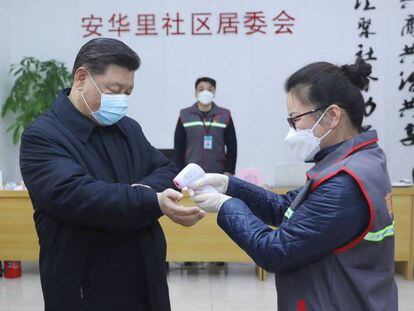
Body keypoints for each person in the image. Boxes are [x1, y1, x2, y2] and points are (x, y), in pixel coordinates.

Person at [190, 58, 398, 310]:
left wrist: (227, 206)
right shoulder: (358, 160)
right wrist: (230, 185)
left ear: (332, 116)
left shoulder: (343, 184)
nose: (292, 129)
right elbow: (287, 207)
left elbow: (274, 251)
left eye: (295, 118)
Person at [19, 38, 205, 311]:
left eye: (127, 93)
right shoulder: (43, 137)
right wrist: (146, 198)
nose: (121, 100)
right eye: (114, 89)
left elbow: (165, 170)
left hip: (145, 282)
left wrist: (132, 194)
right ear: (81, 78)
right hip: (85, 289)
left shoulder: (127, 128)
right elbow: (78, 195)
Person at [174, 77, 237, 176]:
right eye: (201, 89)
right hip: (191, 173)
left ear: (214, 93)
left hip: (218, 173)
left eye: (210, 89)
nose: (205, 92)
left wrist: (229, 171)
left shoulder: (225, 115)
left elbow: (232, 146)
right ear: (195, 92)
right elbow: (178, 147)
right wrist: (180, 171)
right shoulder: (185, 115)